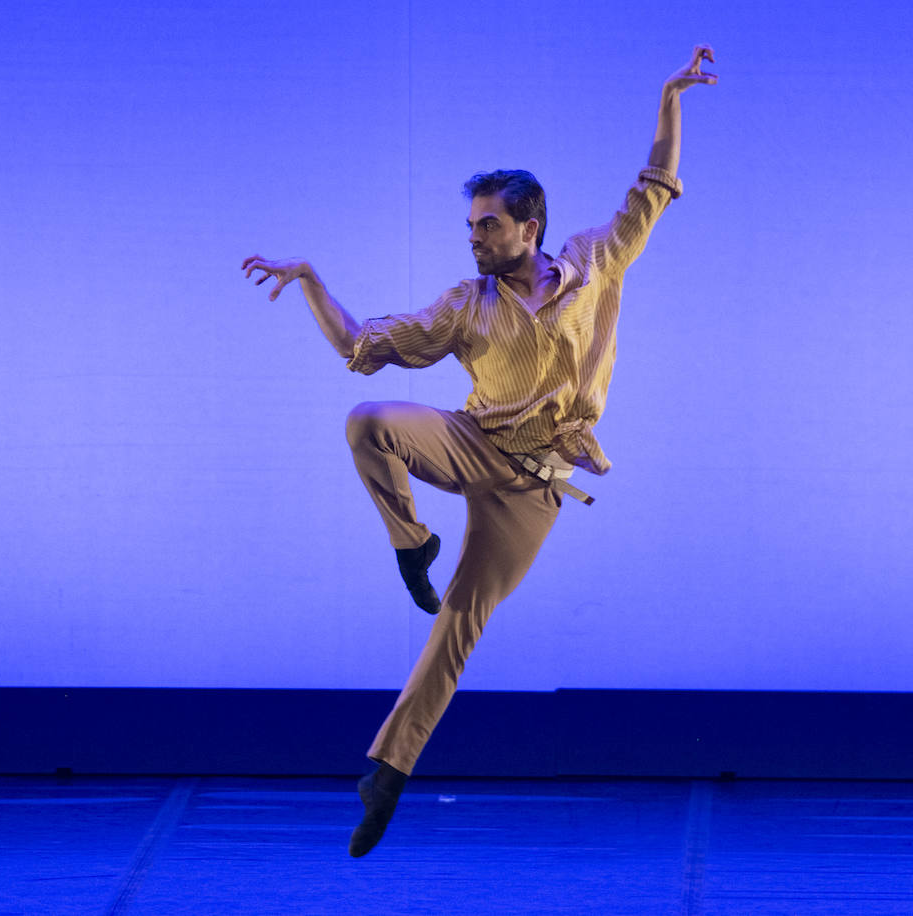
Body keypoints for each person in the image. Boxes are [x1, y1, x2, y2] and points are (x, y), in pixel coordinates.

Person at [242, 46, 717, 857]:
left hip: (535, 488)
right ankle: (411, 542)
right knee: (369, 420)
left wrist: (672, 97)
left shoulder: (596, 261)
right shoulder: (466, 305)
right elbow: (362, 346)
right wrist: (315, 283)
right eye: (469, 227)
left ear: (529, 227)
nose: (474, 238)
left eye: (487, 225)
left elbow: (655, 189)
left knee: (460, 623)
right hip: (470, 442)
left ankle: (386, 775)